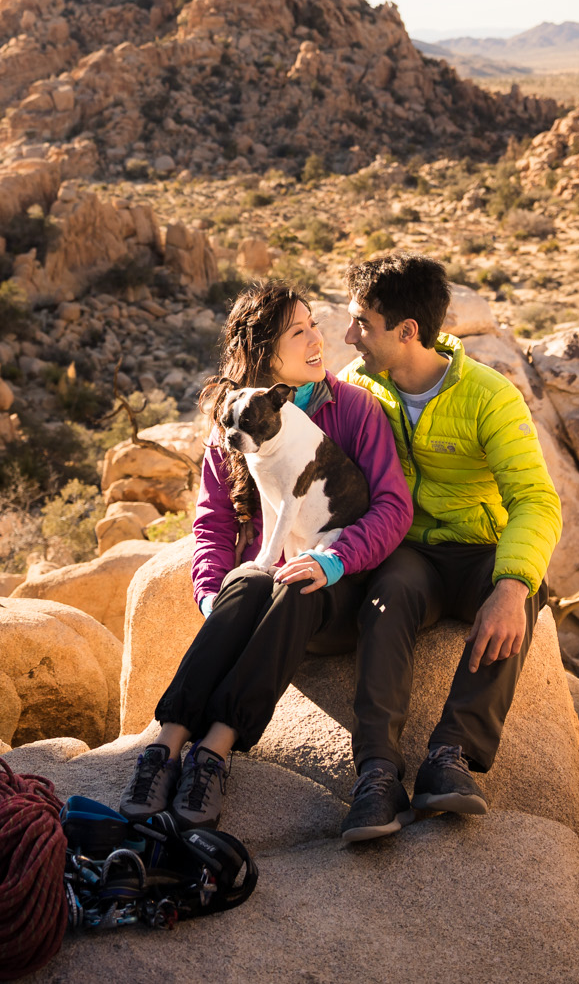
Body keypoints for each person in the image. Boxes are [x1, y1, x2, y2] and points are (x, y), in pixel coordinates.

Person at [118, 281, 413, 829]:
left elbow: (394, 508)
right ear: (263, 355)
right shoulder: (233, 421)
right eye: (296, 332)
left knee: (294, 580)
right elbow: (212, 525)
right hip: (263, 592)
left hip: (335, 590)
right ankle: (164, 747)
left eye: (313, 326)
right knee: (249, 582)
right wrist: (211, 595)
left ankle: (214, 753)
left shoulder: (354, 411)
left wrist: (335, 558)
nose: (316, 340)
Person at [332, 252, 562, 844]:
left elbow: (536, 499)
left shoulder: (489, 395)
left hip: (478, 548)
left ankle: (451, 756)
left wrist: (512, 586)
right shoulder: (360, 391)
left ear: (408, 332)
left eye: (362, 322)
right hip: (409, 552)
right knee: (388, 598)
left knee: (516, 603)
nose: (348, 334)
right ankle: (377, 775)